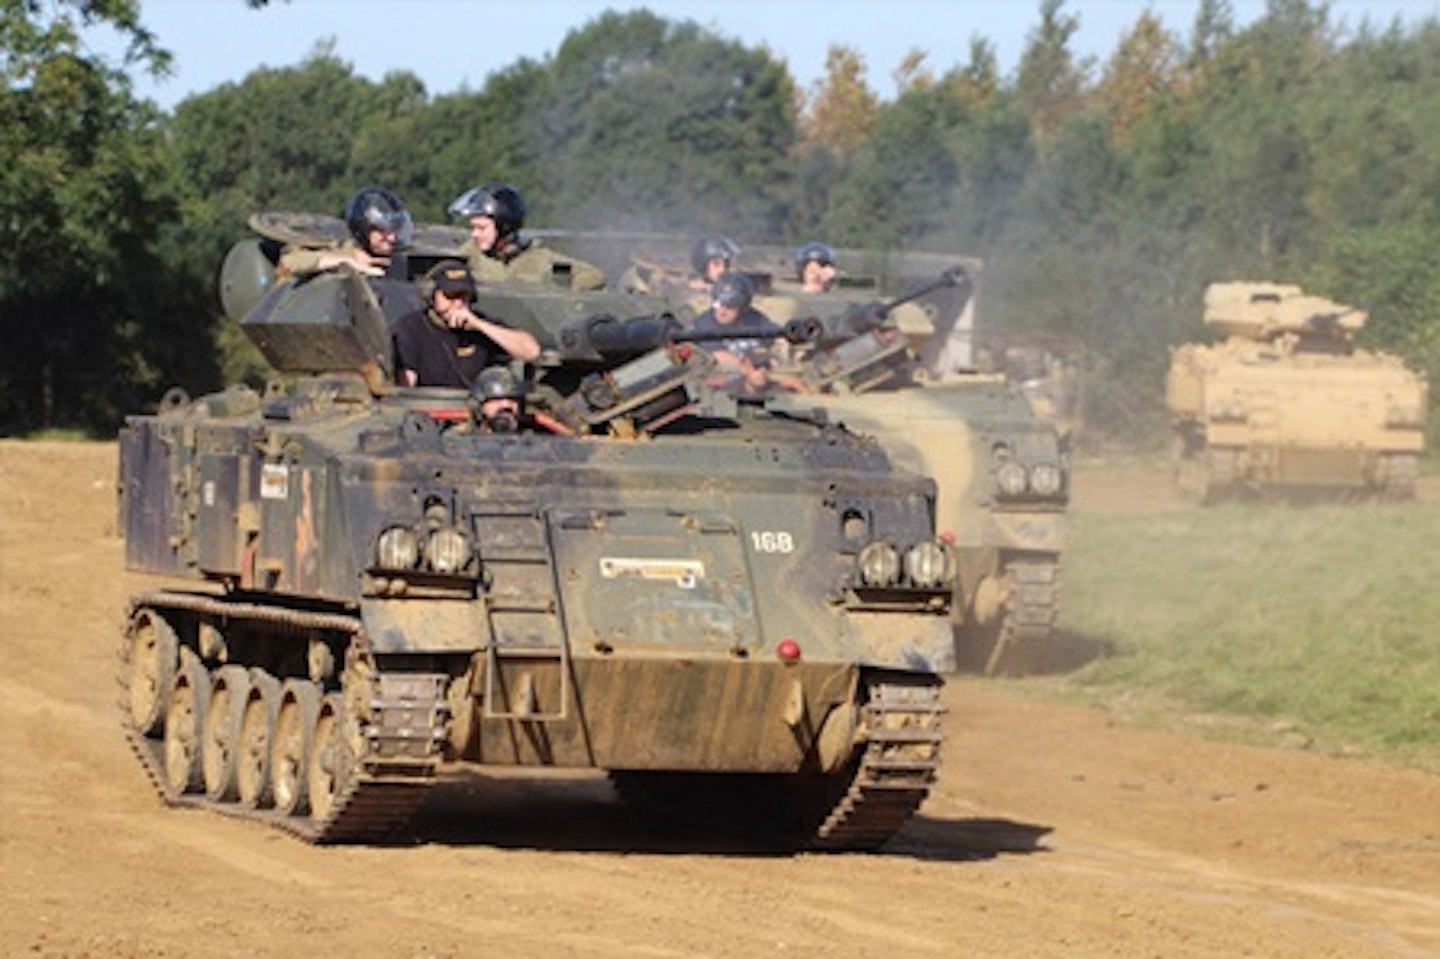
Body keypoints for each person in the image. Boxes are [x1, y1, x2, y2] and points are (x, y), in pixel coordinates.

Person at [391, 259, 541, 389]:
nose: (458, 304)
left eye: (464, 296)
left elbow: (531, 352)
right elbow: (406, 381)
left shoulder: (481, 324)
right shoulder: (411, 327)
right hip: (429, 411)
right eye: (450, 297)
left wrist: (479, 326)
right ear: (431, 296)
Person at [448, 182, 606, 290]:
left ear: (504, 228)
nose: (474, 234)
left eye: (481, 228)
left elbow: (595, 275)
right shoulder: (470, 254)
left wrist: (563, 293)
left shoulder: (538, 257)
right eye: (473, 228)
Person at [280, 186, 413, 280]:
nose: (391, 238)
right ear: (364, 231)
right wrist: (346, 261)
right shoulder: (342, 248)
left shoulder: (401, 256)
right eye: (382, 232)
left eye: (394, 230)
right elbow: (290, 262)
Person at [471, 365, 575, 435]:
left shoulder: (535, 438)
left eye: (512, 400)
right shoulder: (465, 437)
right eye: (497, 400)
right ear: (481, 404)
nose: (506, 405)